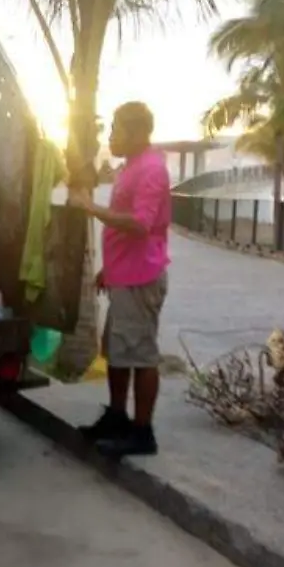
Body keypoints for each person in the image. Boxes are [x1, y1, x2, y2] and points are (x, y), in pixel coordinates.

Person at [68, 101, 171, 457]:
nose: (110, 137)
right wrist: (108, 269)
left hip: (141, 278)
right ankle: (116, 416)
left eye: (115, 130)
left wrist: (92, 208)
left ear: (137, 132)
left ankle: (142, 432)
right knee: (116, 350)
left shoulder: (152, 171)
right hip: (124, 275)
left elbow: (141, 224)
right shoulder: (131, 167)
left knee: (141, 354)